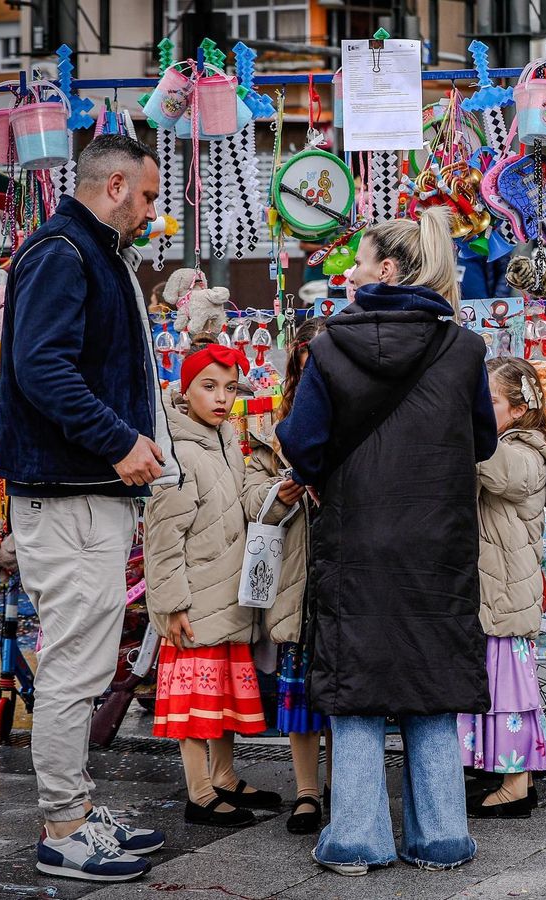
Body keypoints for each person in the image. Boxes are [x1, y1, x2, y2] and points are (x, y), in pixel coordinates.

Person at [277, 209, 498, 876]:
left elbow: (304, 442)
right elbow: (483, 441)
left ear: (389, 271)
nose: (350, 271)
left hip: (358, 536)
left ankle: (357, 839)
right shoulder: (463, 350)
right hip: (437, 544)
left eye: (361, 259)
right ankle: (441, 837)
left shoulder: (332, 345)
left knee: (358, 682)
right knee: (431, 679)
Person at [0, 133, 172, 882]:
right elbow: (42, 368)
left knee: (85, 660)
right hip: (70, 496)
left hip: (85, 494)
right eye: (151, 196)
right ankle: (63, 827)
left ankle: (76, 808)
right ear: (115, 186)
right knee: (73, 667)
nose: (154, 211)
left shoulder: (89, 252)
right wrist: (119, 441)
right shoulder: (64, 254)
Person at [146, 342, 281, 828]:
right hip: (196, 602)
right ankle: (199, 792)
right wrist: (172, 603)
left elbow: (240, 505)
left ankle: (223, 777)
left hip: (227, 599)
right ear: (186, 390)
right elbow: (163, 538)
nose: (222, 398)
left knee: (220, 699)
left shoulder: (225, 440)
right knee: (197, 706)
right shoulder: (179, 452)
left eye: (228, 388)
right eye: (209, 387)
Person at [459, 358, 546, 818]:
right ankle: (510, 779)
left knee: (509, 694)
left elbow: (493, 468)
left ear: (518, 410)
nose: (478, 408)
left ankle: (516, 785)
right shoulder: (509, 444)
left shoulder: (523, 452)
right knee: (495, 689)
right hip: (496, 591)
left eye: (488, 401)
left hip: (505, 597)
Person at [242, 317, 330, 835]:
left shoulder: (354, 418)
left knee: (343, 693)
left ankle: (346, 784)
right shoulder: (270, 430)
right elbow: (249, 499)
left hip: (342, 571)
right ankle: (306, 793)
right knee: (299, 694)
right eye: (306, 366)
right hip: (296, 577)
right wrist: (280, 495)